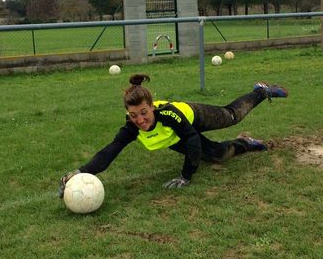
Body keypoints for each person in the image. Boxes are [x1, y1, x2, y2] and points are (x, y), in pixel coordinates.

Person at [58, 74, 288, 194]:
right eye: (134, 115)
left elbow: (192, 138)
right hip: (177, 136)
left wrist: (186, 176)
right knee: (219, 155)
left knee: (231, 116)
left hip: (192, 117)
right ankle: (245, 142)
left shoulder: (168, 114)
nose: (140, 120)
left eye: (144, 113)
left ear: (152, 107)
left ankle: (260, 91)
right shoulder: (131, 127)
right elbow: (109, 152)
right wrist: (79, 172)